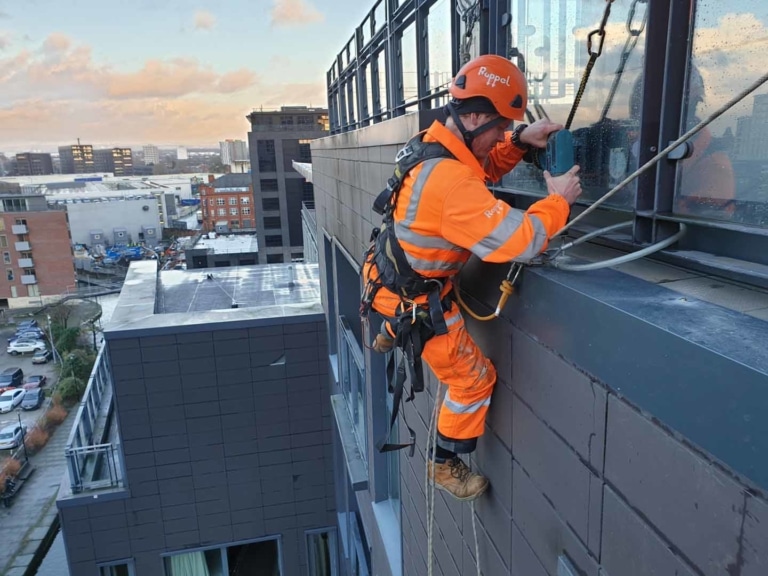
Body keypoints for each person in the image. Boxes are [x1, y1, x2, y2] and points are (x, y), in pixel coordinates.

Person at [361, 54, 582, 501]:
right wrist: (559, 201)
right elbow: (522, 239)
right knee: (473, 379)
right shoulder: (451, 184)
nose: (502, 135)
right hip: (415, 300)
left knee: (412, 317)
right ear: (476, 117)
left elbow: (481, 165)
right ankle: (445, 464)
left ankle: (388, 331)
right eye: (500, 127)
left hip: (387, 277)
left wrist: (519, 139)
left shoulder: (431, 144)